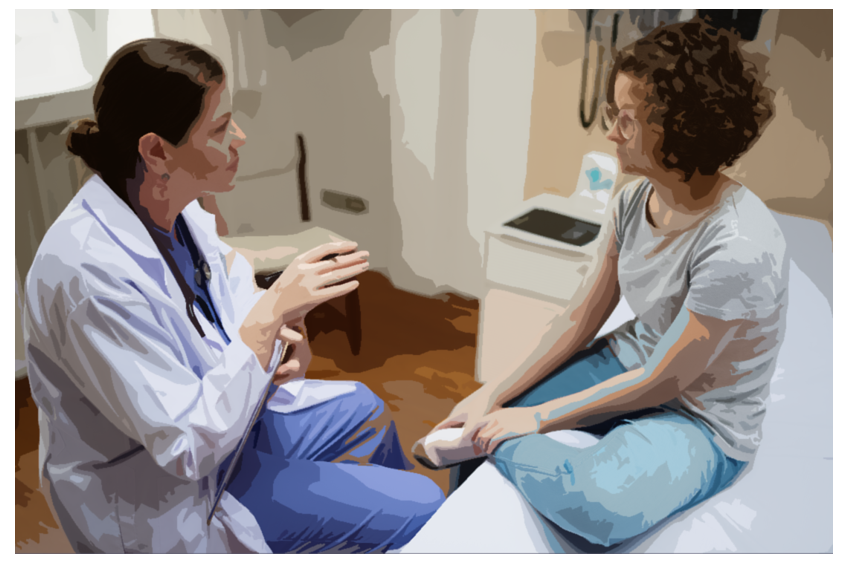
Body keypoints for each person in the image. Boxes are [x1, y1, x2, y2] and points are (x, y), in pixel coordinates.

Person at [23, 38, 443, 554]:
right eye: (220, 128)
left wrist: (288, 336)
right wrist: (271, 317)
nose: (240, 137)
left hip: (228, 431)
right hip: (165, 492)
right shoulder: (89, 276)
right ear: (157, 152)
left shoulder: (175, 210)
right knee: (424, 504)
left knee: (368, 411)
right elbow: (184, 444)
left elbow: (230, 288)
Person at [414, 18, 787, 548]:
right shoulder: (633, 202)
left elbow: (666, 380)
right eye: (614, 115)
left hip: (700, 417)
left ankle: (485, 443)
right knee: (488, 413)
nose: (611, 133)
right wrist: (492, 393)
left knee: (596, 506)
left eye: (627, 121)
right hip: (632, 359)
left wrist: (533, 419)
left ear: (681, 131)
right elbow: (579, 317)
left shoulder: (739, 246)